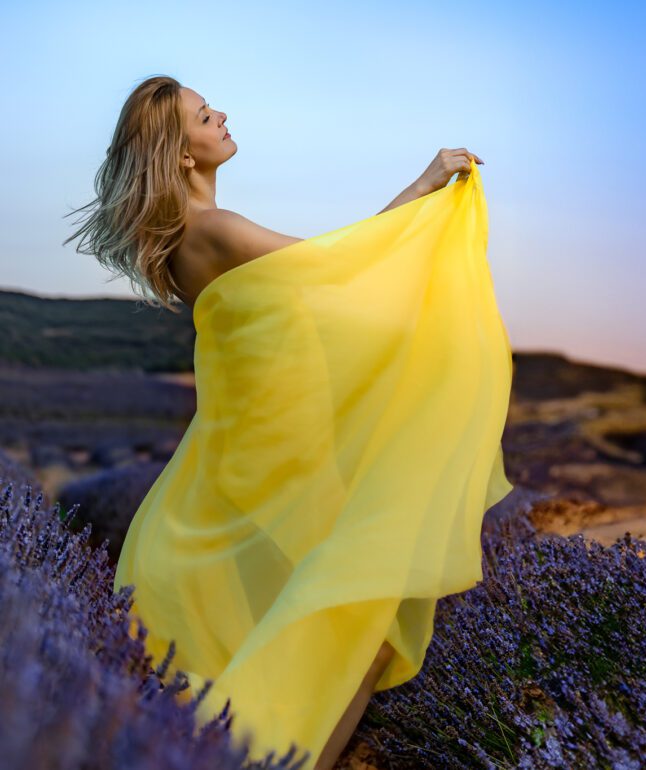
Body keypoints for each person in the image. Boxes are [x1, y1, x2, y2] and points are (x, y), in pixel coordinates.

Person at [66, 75, 511, 770]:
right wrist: (426, 186)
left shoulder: (191, 237)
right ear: (183, 155)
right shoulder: (215, 229)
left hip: (240, 476)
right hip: (272, 475)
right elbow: (347, 272)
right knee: (356, 635)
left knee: (333, 638)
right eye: (205, 116)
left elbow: (333, 272)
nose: (222, 117)